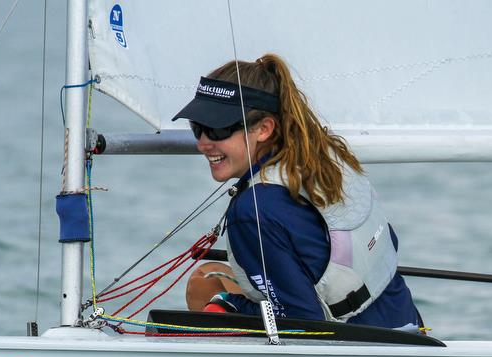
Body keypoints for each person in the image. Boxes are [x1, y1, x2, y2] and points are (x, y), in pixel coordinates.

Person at [173, 54, 422, 329]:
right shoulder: (323, 158)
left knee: (206, 291)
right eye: (198, 129)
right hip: (409, 326)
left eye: (217, 130)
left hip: (359, 354)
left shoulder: (252, 212)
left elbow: (303, 322)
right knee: (209, 274)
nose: (203, 144)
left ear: (265, 128)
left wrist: (226, 305)